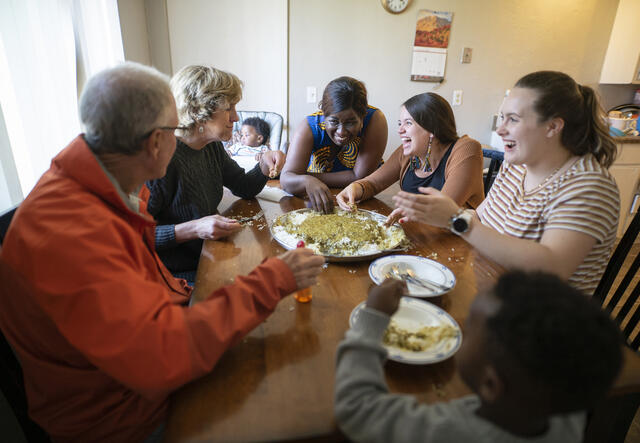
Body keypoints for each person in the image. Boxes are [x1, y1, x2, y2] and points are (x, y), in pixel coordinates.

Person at [0, 62, 324, 442]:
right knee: (285, 404)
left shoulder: (98, 184)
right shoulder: (71, 234)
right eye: (175, 130)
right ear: (157, 142)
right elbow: (163, 358)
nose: (180, 137)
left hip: (137, 371)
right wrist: (276, 278)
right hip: (120, 419)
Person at [391, 71, 619, 294]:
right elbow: (481, 218)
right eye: (502, 117)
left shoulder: (590, 185)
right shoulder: (517, 166)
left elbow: (552, 267)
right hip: (488, 288)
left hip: (540, 318)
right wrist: (429, 212)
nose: (500, 130)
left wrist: (456, 220)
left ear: (553, 127)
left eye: (513, 119)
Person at [335, 271, 623, 443]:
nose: (459, 327)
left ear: (490, 384)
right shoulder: (565, 406)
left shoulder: (449, 432)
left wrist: (372, 319)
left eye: (469, 330)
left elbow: (357, 408)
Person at [145, 65, 286, 284]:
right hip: (177, 277)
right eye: (229, 108)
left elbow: (243, 186)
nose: (236, 117)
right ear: (200, 110)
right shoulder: (160, 159)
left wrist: (264, 166)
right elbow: (134, 237)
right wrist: (193, 228)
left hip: (211, 255)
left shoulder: (210, 146)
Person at [336, 92, 483, 214]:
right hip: (422, 234)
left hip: (460, 242)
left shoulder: (467, 150)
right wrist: (356, 188)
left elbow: (443, 210)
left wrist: (411, 212)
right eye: (400, 124)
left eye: (408, 123)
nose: (400, 130)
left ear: (431, 128)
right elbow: (373, 183)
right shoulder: (407, 152)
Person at [280, 76, 388, 213]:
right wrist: (306, 182)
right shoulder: (308, 127)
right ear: (323, 114)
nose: (341, 132)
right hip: (317, 201)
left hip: (361, 200)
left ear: (363, 116)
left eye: (350, 122)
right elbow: (286, 180)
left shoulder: (375, 120)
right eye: (334, 122)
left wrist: (307, 177)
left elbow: (360, 177)